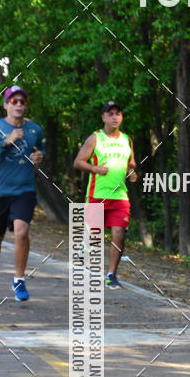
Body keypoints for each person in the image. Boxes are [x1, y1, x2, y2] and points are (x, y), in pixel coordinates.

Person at [74, 100, 137, 288]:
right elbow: (78, 162)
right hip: (97, 194)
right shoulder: (95, 138)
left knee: (119, 233)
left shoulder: (127, 139)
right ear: (103, 117)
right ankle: (84, 247)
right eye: (110, 114)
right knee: (94, 236)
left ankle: (111, 275)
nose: (114, 117)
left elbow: (131, 162)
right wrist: (94, 168)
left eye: (118, 113)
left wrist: (132, 171)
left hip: (120, 197)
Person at [0, 85, 45, 301]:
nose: (18, 104)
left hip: (24, 190)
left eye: (22, 101)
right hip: (0, 191)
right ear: (6, 104)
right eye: (14, 101)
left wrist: (39, 157)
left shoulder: (35, 129)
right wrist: (6, 141)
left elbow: (40, 150)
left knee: (21, 232)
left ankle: (19, 279)